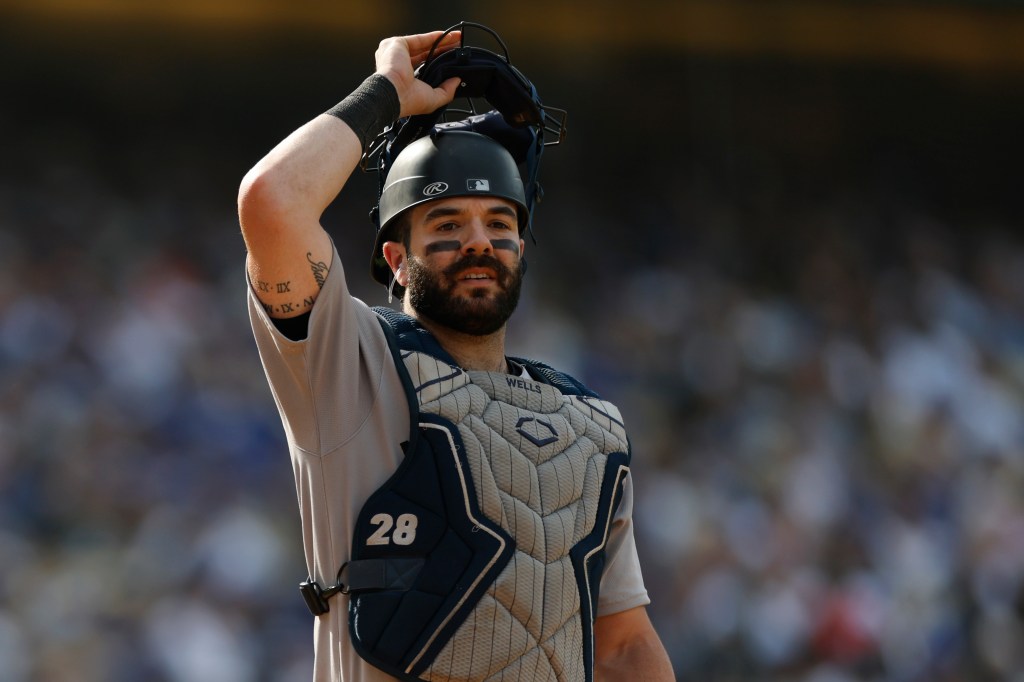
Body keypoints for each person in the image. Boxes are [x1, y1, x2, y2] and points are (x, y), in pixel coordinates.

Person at [238, 28, 674, 682]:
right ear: (394, 257)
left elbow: (624, 647)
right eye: (446, 226)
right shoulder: (348, 364)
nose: (478, 242)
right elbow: (273, 201)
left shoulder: (590, 424)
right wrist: (386, 94)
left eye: (500, 224)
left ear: (522, 249)